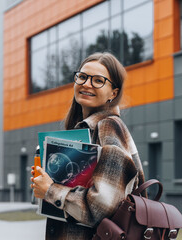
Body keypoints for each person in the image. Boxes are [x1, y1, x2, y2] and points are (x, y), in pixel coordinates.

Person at [31, 52, 145, 239]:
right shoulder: (85, 131)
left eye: (98, 80)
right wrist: (42, 184)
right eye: (82, 77)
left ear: (113, 93)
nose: (86, 84)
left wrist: (51, 190)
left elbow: (102, 207)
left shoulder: (109, 126)